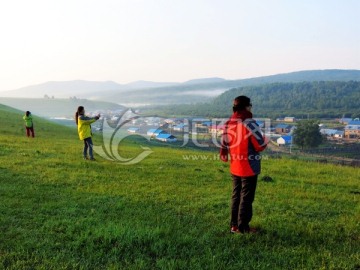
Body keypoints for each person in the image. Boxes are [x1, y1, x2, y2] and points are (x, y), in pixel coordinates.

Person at [220, 96, 268, 234]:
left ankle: (234, 226)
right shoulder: (250, 123)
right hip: (249, 167)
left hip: (235, 165)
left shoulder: (229, 122)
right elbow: (260, 146)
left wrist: (224, 153)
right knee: (246, 198)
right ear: (247, 107)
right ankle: (243, 228)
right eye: (250, 106)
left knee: (236, 196)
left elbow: (225, 142)